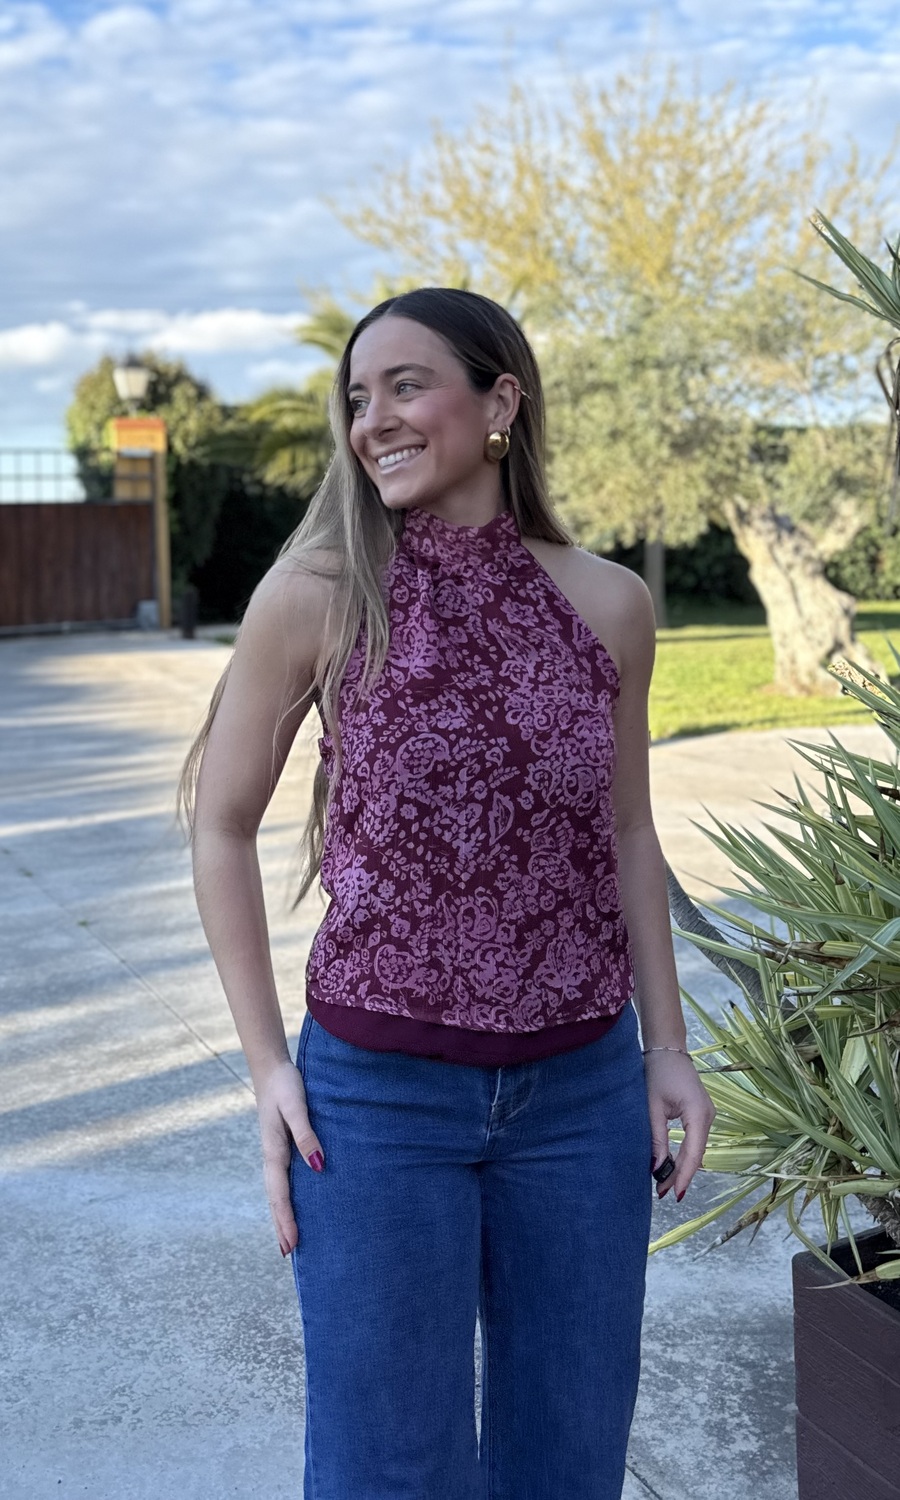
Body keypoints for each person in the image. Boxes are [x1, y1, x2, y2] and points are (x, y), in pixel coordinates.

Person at [178, 287, 716, 1500]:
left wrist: (667, 1046)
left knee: (568, 1457)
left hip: (581, 1098)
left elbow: (630, 832)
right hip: (376, 1104)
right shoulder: (319, 594)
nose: (373, 418)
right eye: (357, 397)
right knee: (389, 1468)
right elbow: (219, 826)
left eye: (407, 385)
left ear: (500, 401)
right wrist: (268, 1067)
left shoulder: (610, 604)